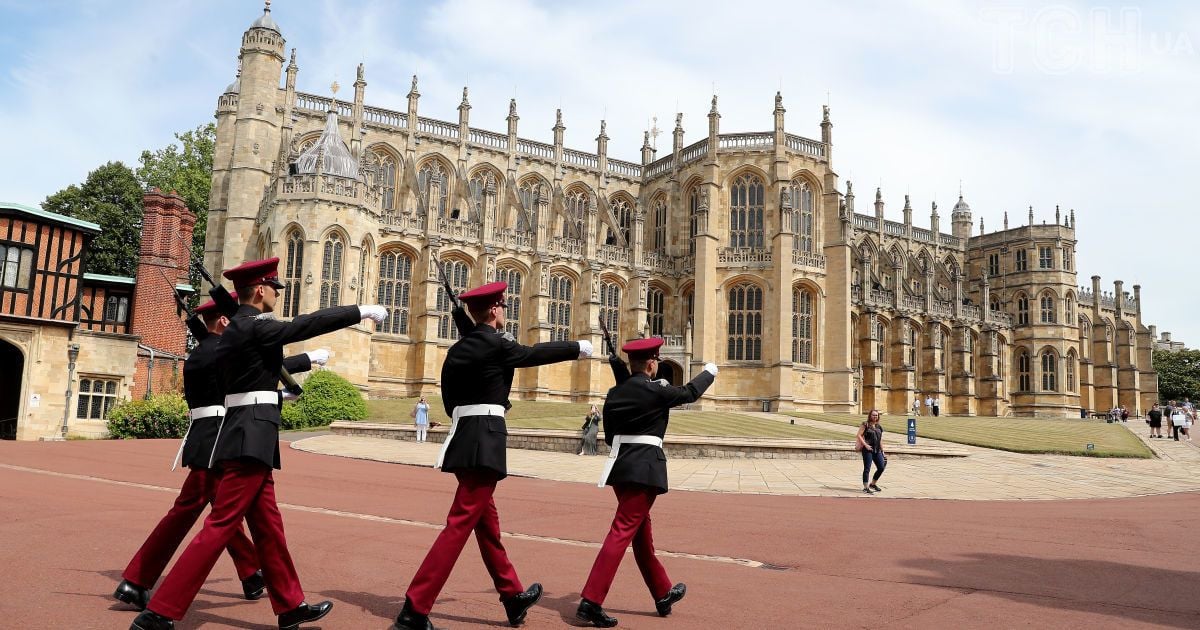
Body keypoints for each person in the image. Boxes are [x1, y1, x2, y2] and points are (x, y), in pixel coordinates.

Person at [132, 257, 387, 630]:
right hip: (249, 436)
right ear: (262, 290)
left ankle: (290, 604)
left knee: (269, 526)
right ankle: (160, 611)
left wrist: (280, 393)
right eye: (274, 289)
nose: (277, 295)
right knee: (220, 525)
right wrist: (359, 310)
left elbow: (253, 379)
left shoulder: (237, 331)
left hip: (248, 432)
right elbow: (307, 323)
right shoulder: (253, 327)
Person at [392, 281, 592, 630]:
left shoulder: (458, 350)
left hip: (464, 436)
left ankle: (512, 596)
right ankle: (415, 607)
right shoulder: (497, 344)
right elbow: (532, 354)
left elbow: (450, 400)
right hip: (485, 440)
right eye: (502, 307)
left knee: (487, 527)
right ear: (496, 309)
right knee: (459, 525)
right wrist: (577, 347)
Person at [115, 295, 328, 612]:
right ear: (225, 321)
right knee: (209, 516)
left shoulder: (203, 351)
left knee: (235, 513)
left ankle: (252, 574)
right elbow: (261, 367)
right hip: (219, 439)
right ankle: (140, 583)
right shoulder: (218, 350)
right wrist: (306, 360)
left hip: (208, 437)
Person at [574, 338, 717, 628]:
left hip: (621, 467)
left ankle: (662, 593)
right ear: (652, 363)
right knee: (621, 532)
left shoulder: (614, 393)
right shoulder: (656, 390)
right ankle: (591, 600)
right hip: (645, 469)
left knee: (641, 538)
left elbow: (610, 436)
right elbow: (689, 393)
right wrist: (710, 372)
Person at [856, 409, 886, 494]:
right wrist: (865, 445)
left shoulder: (879, 427)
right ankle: (866, 487)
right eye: (873, 415)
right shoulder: (865, 424)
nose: (875, 416)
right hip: (867, 450)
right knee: (867, 468)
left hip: (877, 450)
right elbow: (859, 435)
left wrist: (883, 451)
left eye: (876, 415)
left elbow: (880, 440)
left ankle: (873, 484)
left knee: (881, 467)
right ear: (870, 416)